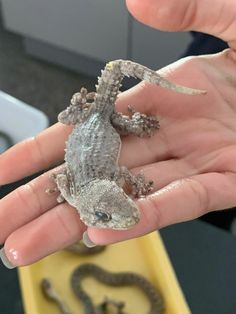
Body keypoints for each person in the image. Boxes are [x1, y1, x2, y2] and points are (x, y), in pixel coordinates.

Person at [1, 0, 236, 268]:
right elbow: (113, 173)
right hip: (99, 119)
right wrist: (134, 185)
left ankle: (95, 110)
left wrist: (129, 186)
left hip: (102, 118)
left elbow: (66, 178)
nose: (125, 217)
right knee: (78, 121)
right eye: (107, 217)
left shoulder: (76, 192)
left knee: (127, 127)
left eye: (109, 214)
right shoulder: (81, 192)